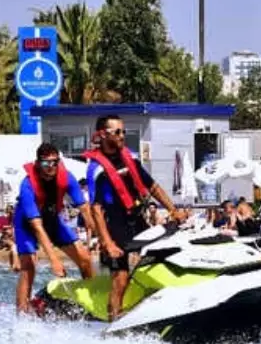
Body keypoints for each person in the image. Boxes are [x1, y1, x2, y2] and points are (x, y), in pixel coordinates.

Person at [84, 115, 186, 321]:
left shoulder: (130, 157)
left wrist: (173, 210)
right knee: (120, 278)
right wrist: (107, 242)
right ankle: (114, 322)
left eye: (124, 131)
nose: (123, 136)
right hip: (115, 226)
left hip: (137, 219)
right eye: (117, 132)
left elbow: (153, 186)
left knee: (163, 256)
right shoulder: (96, 169)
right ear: (103, 135)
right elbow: (95, 209)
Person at [13, 142, 96, 314]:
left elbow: (84, 208)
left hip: (52, 220)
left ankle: (93, 302)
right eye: (46, 163)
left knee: (85, 258)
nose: (51, 167)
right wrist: (54, 260)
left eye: (54, 162)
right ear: (37, 163)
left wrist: (100, 235)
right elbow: (37, 227)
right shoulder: (27, 185)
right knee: (29, 266)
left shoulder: (67, 177)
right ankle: (21, 313)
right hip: (27, 225)